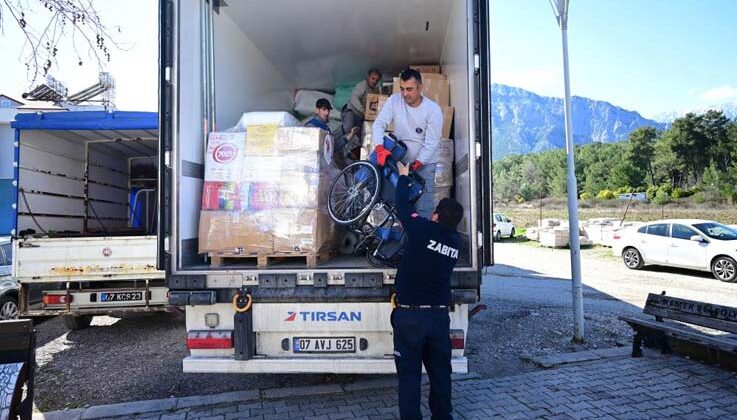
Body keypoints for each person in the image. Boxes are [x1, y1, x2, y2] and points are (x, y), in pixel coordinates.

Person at [391, 160, 463, 420]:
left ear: (435, 215)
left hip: (410, 317)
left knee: (410, 377)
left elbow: (402, 206)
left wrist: (403, 177)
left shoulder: (421, 230)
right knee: (441, 374)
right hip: (437, 319)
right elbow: (433, 241)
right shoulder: (454, 246)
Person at [371, 68, 443, 218]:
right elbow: (379, 124)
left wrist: (419, 162)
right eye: (402, 89)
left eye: (409, 89)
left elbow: (432, 143)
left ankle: (421, 239)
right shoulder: (394, 100)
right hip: (400, 159)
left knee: (424, 206)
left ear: (420, 87)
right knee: (395, 201)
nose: (404, 94)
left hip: (424, 163)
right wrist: (379, 147)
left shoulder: (433, 110)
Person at [342, 67, 383, 157]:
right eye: (372, 78)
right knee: (347, 128)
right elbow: (354, 98)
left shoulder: (375, 90)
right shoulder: (362, 85)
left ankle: (354, 155)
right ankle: (341, 146)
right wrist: (363, 110)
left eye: (376, 80)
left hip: (361, 117)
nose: (374, 81)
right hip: (351, 111)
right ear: (368, 77)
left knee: (364, 137)